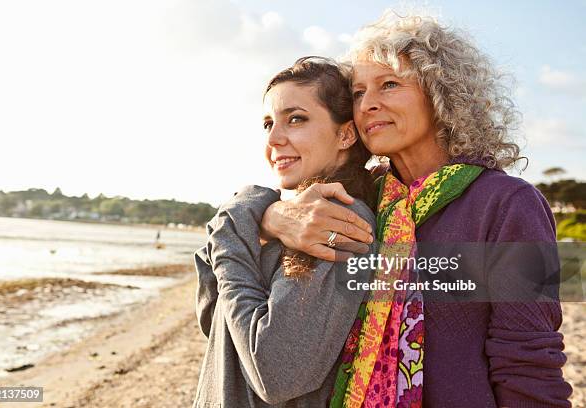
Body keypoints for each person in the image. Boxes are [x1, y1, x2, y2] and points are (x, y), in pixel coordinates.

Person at [259, 12, 572, 408]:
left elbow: (528, 358)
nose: (368, 105)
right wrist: (272, 217)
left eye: (389, 84)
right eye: (357, 93)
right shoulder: (360, 196)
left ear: (441, 94)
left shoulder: (508, 205)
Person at [193, 57, 379, 407]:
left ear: (345, 134)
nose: (274, 139)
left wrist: (241, 214)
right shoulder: (291, 221)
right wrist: (261, 220)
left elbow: (275, 374)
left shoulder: (340, 221)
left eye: (296, 119)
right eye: (268, 124)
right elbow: (214, 322)